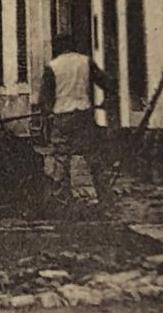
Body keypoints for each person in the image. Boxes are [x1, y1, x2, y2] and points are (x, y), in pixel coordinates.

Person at [38, 34, 114, 206]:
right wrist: (104, 103)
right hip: (84, 115)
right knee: (94, 157)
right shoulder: (85, 62)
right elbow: (107, 83)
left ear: (57, 48)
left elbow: (45, 98)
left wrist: (48, 113)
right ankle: (106, 197)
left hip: (63, 117)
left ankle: (62, 198)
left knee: (61, 159)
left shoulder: (52, 67)